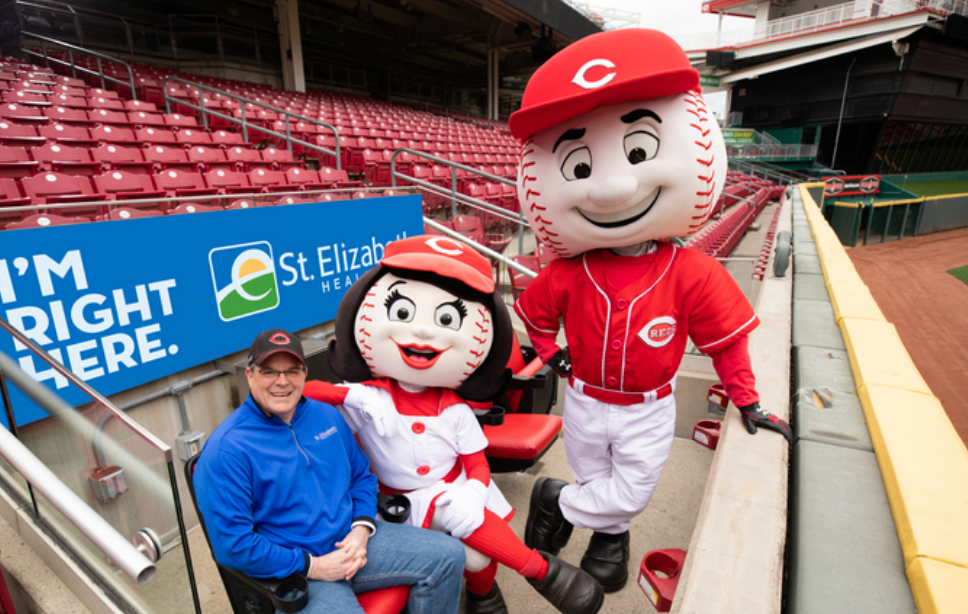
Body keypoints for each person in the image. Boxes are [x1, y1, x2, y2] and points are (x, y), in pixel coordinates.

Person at [508, 28, 794, 594]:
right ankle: (609, 539)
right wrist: (552, 354)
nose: (614, 185)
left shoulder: (691, 271)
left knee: (634, 486)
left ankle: (557, 502)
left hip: (648, 405)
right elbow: (536, 315)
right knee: (596, 474)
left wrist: (748, 399)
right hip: (585, 396)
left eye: (637, 154)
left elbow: (726, 343)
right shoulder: (569, 271)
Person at [305, 235, 604, 614]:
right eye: (403, 313)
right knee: (462, 543)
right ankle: (541, 570)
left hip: (451, 489)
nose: (424, 332)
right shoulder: (368, 398)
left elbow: (478, 463)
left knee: (477, 558)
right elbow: (308, 390)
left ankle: (484, 593)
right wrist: (350, 394)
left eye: (445, 319)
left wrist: (475, 492)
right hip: (387, 504)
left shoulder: (457, 411)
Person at [193, 328, 466, 614]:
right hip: (296, 568)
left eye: (292, 371)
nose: (282, 381)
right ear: (250, 375)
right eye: (269, 372)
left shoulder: (326, 415)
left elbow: (361, 477)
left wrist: (361, 529)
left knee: (449, 555)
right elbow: (233, 545)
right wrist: (314, 566)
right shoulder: (227, 449)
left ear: (304, 374)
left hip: (351, 541)